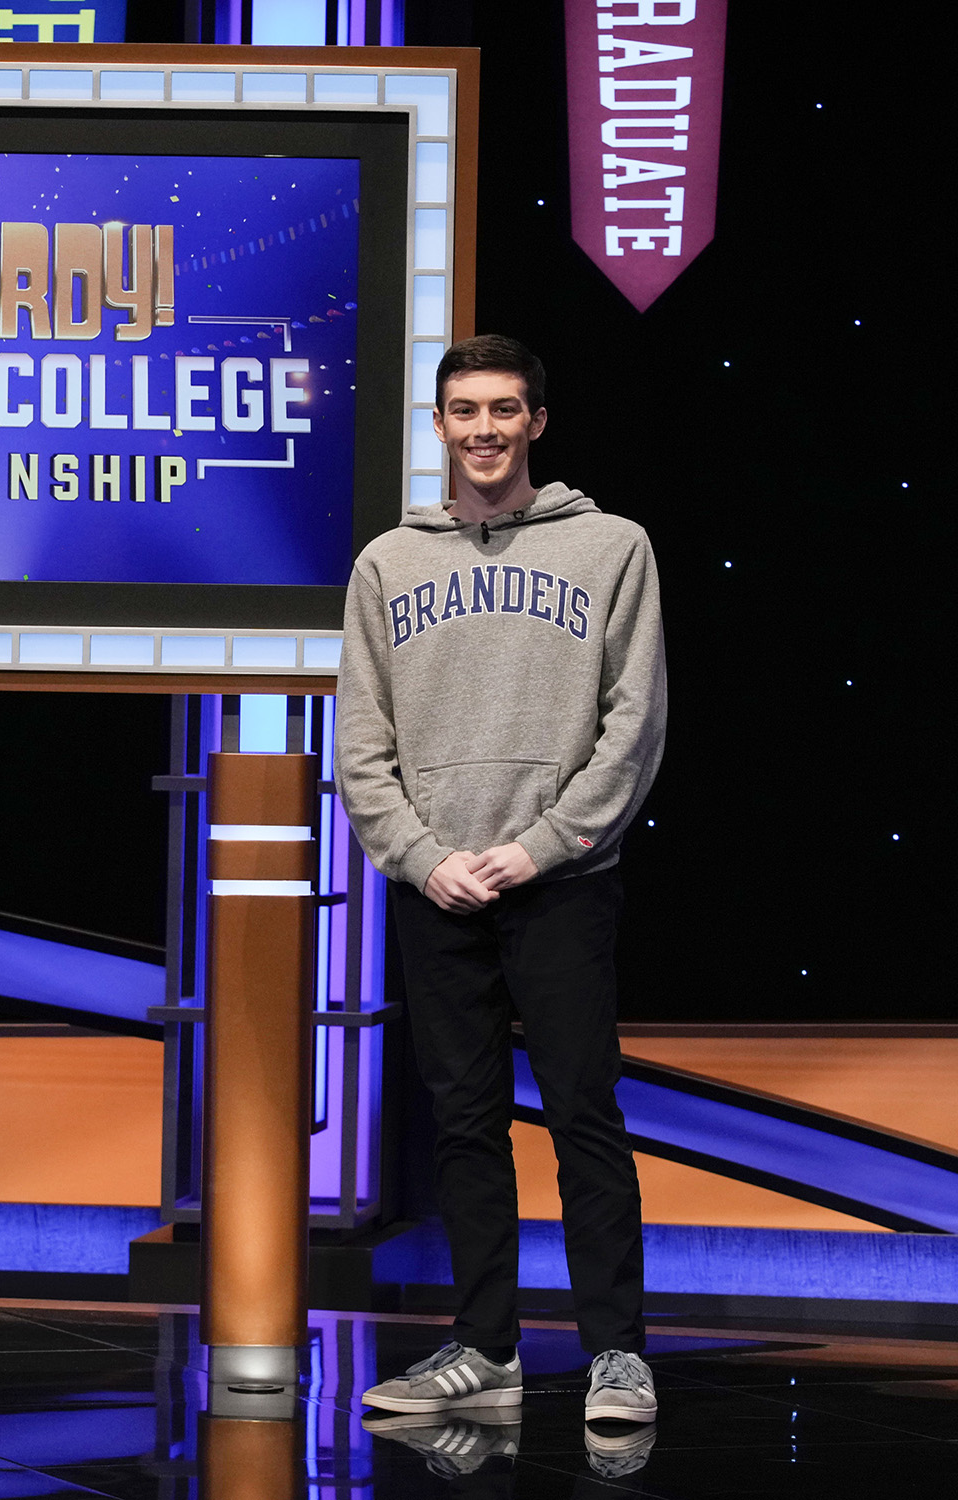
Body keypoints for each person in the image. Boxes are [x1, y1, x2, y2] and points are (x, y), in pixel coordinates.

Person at [336, 336, 666, 1427]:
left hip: (560, 880)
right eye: (462, 410)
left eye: (503, 409)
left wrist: (542, 844)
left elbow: (633, 722)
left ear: (534, 422)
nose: (482, 428)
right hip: (439, 890)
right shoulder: (388, 563)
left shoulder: (610, 547)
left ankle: (616, 1353)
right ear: (436, 425)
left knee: (582, 1113)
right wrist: (425, 860)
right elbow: (361, 742)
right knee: (463, 1123)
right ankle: (482, 1348)